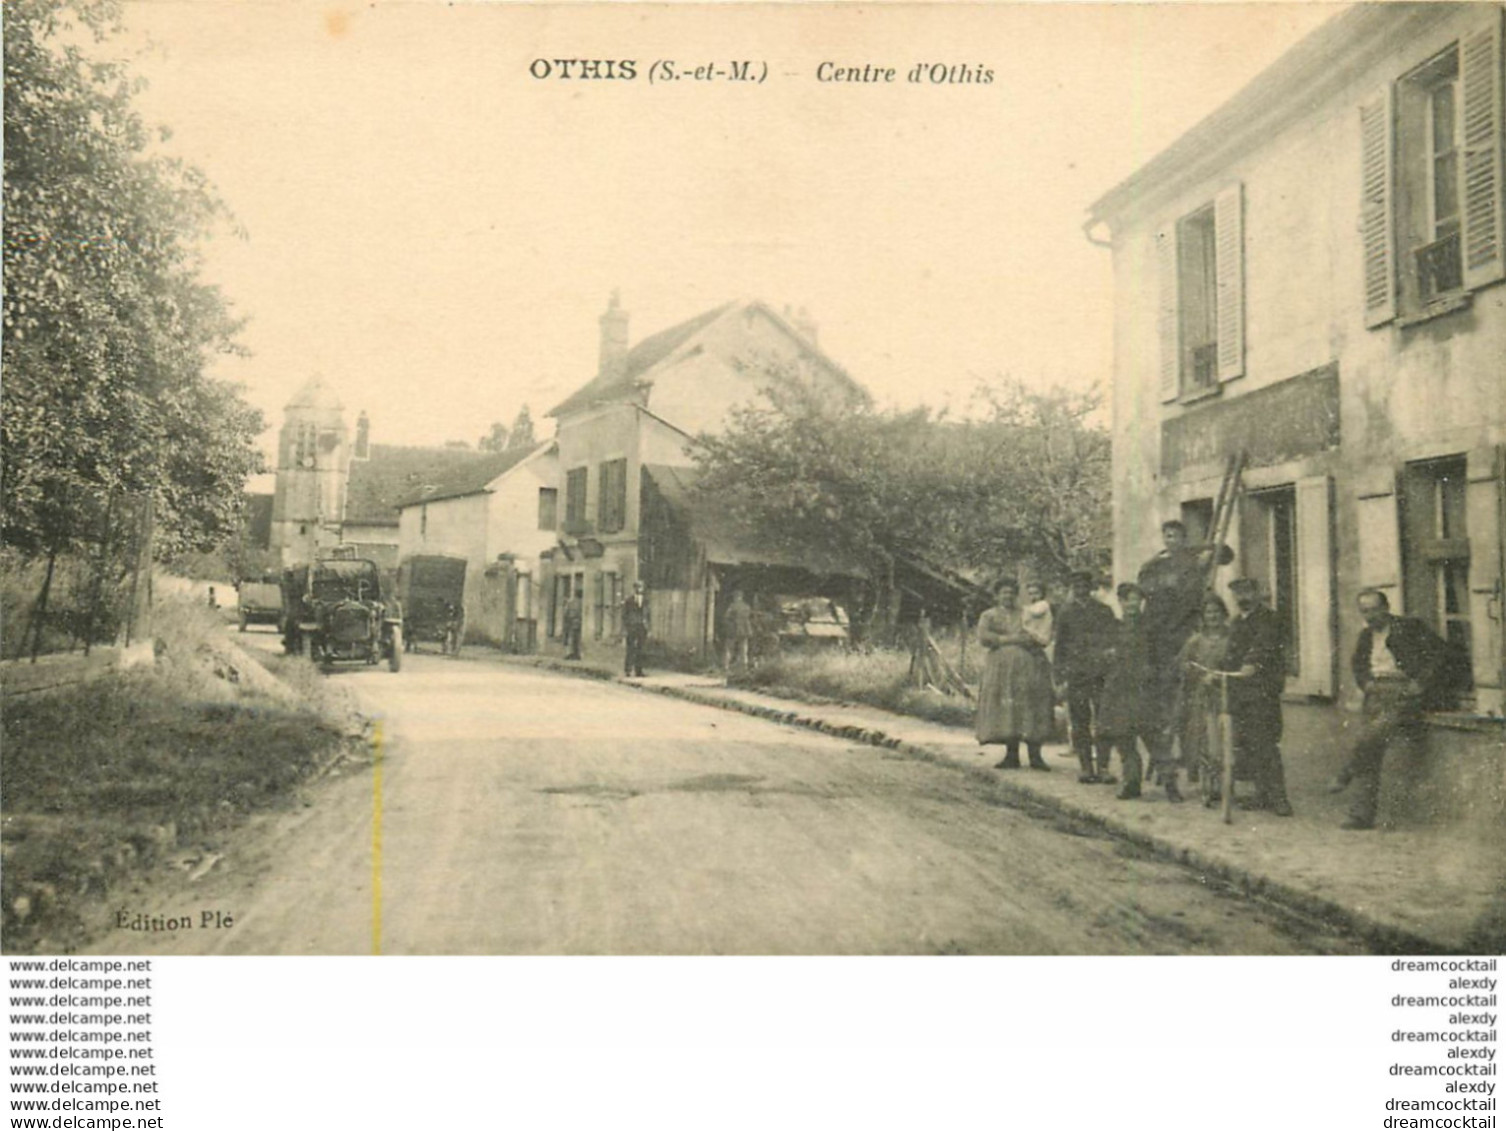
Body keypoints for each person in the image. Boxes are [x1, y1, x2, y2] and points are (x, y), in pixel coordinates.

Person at [1330, 589, 1449, 830]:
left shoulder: (1409, 627)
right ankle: (1360, 816)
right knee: (1371, 750)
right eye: (1364, 611)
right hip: (1376, 693)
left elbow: (1439, 654)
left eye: (1374, 609)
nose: (1370, 616)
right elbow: (1358, 664)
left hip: (1403, 693)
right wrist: (1366, 684)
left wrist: (1420, 682)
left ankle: (1346, 772)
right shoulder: (1365, 636)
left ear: (1386, 607)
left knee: (1370, 737)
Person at [1099, 583, 1179, 800]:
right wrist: (1108, 655)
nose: (1132, 604)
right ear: (1121, 602)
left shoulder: (1151, 628)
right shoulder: (1114, 628)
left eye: (1136, 600)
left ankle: (1171, 784)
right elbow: (1102, 655)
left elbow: (1162, 659)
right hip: (1119, 691)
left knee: (1154, 738)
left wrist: (1156, 678)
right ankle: (1132, 783)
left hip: (1145, 691)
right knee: (1124, 739)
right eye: (1128, 599)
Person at [1222, 578, 1292, 816]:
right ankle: (1262, 795)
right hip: (1239, 692)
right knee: (1248, 745)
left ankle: (1279, 798)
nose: (1243, 598)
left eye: (1247, 592)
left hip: (1262, 690)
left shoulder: (1269, 618)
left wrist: (1252, 662)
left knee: (1266, 743)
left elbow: (1264, 644)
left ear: (1257, 593)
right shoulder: (1234, 623)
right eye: (1238, 593)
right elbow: (1228, 654)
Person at [974, 577, 1054, 771]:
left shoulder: (1026, 613)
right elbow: (984, 637)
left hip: (1029, 668)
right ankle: (1012, 756)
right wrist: (1011, 639)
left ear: (1016, 595)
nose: (1008, 596)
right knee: (1008, 709)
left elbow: (1037, 634)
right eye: (1004, 592)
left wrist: (1024, 640)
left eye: (1011, 592)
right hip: (1001, 670)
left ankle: (1036, 756)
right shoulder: (989, 615)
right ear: (997, 595)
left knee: (1030, 707)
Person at [1052, 570, 1118, 783]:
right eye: (1076, 585)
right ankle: (1086, 767)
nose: (1080, 589)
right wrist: (1060, 676)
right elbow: (1060, 647)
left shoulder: (1104, 611)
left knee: (1104, 721)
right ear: (1073, 588)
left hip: (1100, 674)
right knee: (1080, 721)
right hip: (1077, 674)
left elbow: (1113, 641)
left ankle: (1104, 767)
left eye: (1084, 585)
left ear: (1091, 588)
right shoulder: (1065, 613)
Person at [1174, 593, 1232, 790]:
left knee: (1232, 733)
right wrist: (1191, 670)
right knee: (1201, 731)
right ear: (1203, 616)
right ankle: (1206, 773)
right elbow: (1182, 662)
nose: (1213, 616)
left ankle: (1230, 774)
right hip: (1203, 691)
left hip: (1227, 690)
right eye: (1208, 612)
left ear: (1223, 613)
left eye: (1216, 611)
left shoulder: (1232, 636)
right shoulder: (1196, 640)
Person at [622, 580, 649, 678]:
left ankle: (639, 671)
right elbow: (624, 615)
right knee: (630, 649)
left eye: (641, 587)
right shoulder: (629, 600)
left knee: (641, 649)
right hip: (632, 627)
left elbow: (648, 614)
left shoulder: (646, 600)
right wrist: (626, 628)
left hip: (642, 627)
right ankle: (628, 670)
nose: (640, 589)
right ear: (634, 588)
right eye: (638, 587)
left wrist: (648, 627)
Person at [723, 589, 754, 672]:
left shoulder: (732, 606)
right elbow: (749, 618)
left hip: (734, 629)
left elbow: (726, 617)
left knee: (729, 648)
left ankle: (726, 666)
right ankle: (744, 666)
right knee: (744, 649)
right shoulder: (747, 606)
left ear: (735, 597)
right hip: (745, 629)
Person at [1020, 580, 1055, 651]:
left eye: (1036, 593)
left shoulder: (1043, 604)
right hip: (1034, 638)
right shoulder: (1032, 606)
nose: (1033, 596)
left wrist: (1023, 609)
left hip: (1042, 639)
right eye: (1030, 594)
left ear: (1042, 593)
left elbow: (1036, 612)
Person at [561, 590, 583, 661]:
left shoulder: (571, 603)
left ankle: (571, 653)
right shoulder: (581, 603)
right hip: (577, 622)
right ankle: (576, 654)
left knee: (570, 638)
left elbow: (566, 613)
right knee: (576, 639)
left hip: (570, 622)